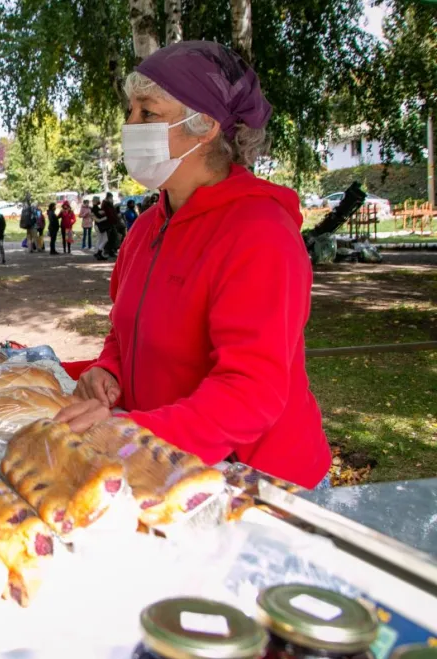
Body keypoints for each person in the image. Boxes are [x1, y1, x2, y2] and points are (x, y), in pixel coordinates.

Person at [56, 41, 330, 490]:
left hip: (258, 484)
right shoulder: (147, 227)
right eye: (131, 110)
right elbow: (125, 332)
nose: (129, 124)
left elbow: (250, 392)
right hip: (165, 467)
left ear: (204, 126)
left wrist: (130, 436)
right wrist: (109, 369)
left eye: (148, 112)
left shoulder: (260, 232)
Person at [94, 192, 121, 260]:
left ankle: (100, 252)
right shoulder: (104, 205)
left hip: (107, 223)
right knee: (104, 239)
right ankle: (100, 252)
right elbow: (104, 214)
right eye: (111, 198)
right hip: (105, 224)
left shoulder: (107, 204)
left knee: (105, 239)